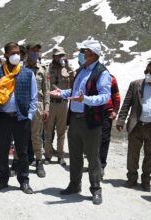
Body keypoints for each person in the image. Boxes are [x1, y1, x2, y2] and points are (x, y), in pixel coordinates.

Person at [51, 39, 111, 205]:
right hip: (75, 119)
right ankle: (74, 184)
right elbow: (75, 92)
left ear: (92, 54)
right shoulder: (80, 71)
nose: (81, 54)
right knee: (75, 155)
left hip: (90, 121)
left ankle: (96, 189)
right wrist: (62, 93)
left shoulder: (102, 72)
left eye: (84, 51)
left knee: (93, 157)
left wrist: (86, 99)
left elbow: (105, 96)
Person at [0, 42, 37, 194]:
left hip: (21, 118)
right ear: (6, 55)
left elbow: (34, 97)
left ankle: (24, 180)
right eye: (13, 53)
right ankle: (3, 180)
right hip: (3, 118)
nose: (16, 55)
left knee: (22, 151)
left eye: (18, 52)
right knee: (2, 151)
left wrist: (29, 115)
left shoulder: (28, 73)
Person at [116, 61, 151, 192]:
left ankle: (146, 180)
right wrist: (121, 120)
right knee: (132, 154)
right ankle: (131, 178)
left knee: (150, 155)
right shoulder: (135, 85)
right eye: (146, 71)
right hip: (137, 125)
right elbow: (126, 104)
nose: (148, 74)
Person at [13, 43, 49, 178]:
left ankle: (39, 162)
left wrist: (47, 108)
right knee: (20, 135)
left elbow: (46, 90)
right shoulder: (20, 68)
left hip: (38, 106)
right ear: (27, 52)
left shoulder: (43, 69)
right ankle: (16, 162)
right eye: (33, 50)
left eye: (37, 51)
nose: (35, 53)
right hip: (23, 104)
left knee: (36, 136)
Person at [44, 47, 74, 166]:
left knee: (61, 131)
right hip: (51, 103)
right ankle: (48, 155)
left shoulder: (67, 69)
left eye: (62, 55)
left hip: (63, 103)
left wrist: (69, 68)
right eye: (58, 55)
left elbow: (74, 83)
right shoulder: (47, 68)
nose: (60, 57)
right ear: (53, 57)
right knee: (48, 131)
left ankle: (60, 156)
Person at [100, 73, 120, 178]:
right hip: (92, 112)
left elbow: (116, 96)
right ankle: (93, 163)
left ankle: (101, 165)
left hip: (107, 112)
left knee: (104, 139)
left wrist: (115, 111)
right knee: (92, 138)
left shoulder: (112, 78)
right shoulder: (91, 76)